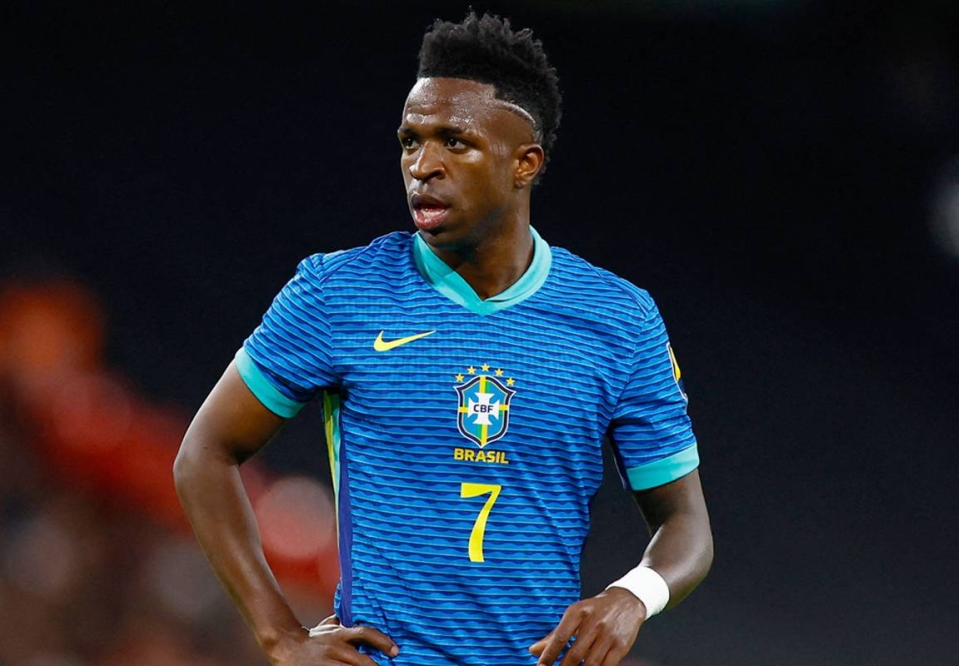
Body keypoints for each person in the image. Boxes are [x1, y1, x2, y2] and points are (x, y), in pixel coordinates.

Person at [174, 11, 713, 666]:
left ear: (525, 163)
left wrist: (633, 595)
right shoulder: (338, 293)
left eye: (455, 142)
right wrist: (278, 634)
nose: (422, 166)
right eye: (411, 141)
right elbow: (205, 453)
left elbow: (685, 525)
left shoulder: (618, 319)